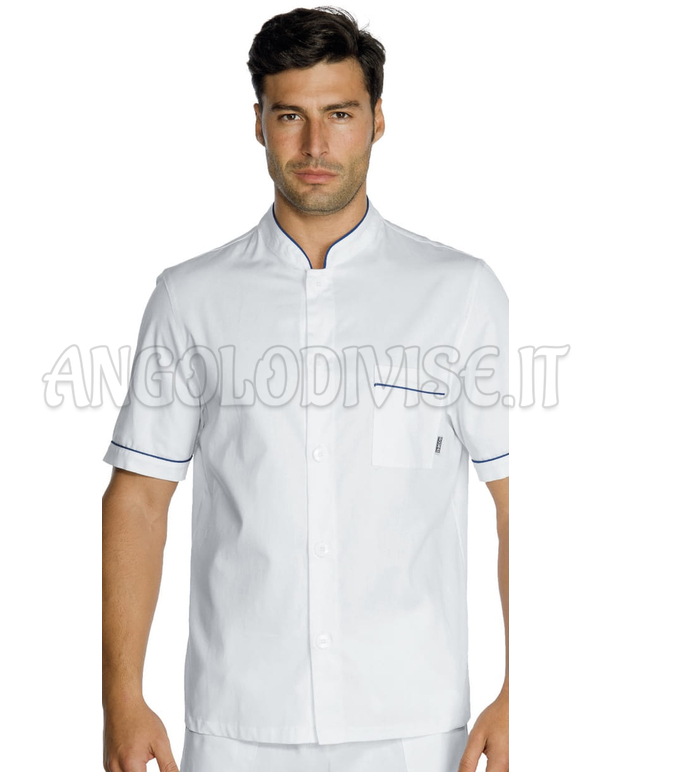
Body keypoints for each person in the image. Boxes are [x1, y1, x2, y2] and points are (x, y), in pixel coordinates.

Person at [102, 6, 509, 772]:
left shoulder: (460, 294)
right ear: (258, 123)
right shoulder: (191, 298)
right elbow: (139, 499)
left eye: (340, 114)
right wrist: (122, 699)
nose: (316, 146)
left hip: (416, 726)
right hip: (237, 723)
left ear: (378, 120)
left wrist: (520, 690)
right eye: (290, 115)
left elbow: (518, 497)